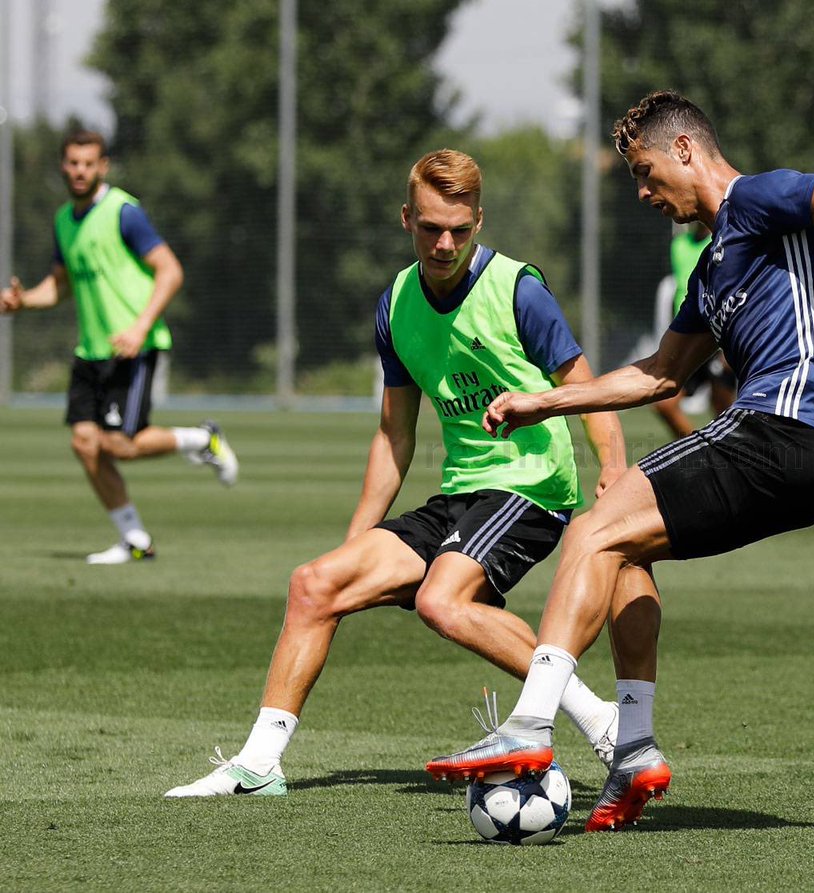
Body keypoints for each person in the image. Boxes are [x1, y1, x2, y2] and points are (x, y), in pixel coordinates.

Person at [426, 91, 814, 831]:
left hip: (785, 427)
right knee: (621, 549)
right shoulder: (708, 273)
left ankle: (530, 725)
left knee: (592, 531)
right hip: (798, 456)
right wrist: (546, 402)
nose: (644, 194)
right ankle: (635, 747)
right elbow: (660, 375)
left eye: (645, 173)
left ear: (683, 150)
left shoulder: (757, 199)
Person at [166, 149, 656, 797]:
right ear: (406, 219)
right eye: (430, 228)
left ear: (479, 221)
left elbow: (586, 388)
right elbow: (394, 436)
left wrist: (612, 469)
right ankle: (259, 765)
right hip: (461, 493)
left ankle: (600, 721)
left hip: (532, 485)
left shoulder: (518, 290)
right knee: (314, 585)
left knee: (440, 599)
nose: (445, 244)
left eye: (459, 229)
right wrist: (356, 541)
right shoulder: (395, 304)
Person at [0, 130, 238, 565]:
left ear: (103, 166)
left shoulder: (124, 212)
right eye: (73, 163)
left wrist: (139, 327)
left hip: (133, 347)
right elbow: (60, 286)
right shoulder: (63, 220)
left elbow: (170, 271)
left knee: (119, 446)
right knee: (84, 443)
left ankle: (202, 439)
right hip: (91, 350)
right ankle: (135, 541)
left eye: (89, 163)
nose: (80, 171)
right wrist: (24, 301)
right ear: (63, 166)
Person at [651, 222, 736, 438]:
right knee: (665, 403)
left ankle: (731, 452)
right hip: (688, 338)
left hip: (717, 339)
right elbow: (680, 291)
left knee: (724, 413)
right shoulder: (678, 245)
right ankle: (698, 449)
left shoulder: (721, 242)